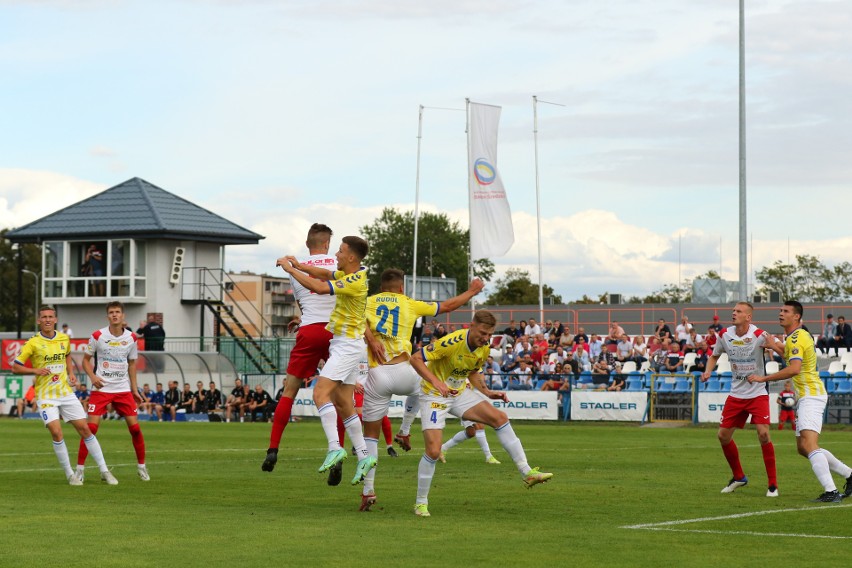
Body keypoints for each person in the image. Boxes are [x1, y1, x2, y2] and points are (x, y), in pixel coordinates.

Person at [357, 268, 484, 511]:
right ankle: (407, 430)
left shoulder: (368, 302)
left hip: (378, 373)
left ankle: (368, 491)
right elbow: (447, 306)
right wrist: (471, 291)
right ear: (401, 288)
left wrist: (371, 338)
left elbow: (353, 317)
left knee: (370, 435)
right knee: (427, 386)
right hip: (407, 369)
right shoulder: (409, 303)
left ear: (381, 286)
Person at [409, 310, 552, 517]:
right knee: (433, 451)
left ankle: (527, 472)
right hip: (434, 395)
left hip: (458, 393)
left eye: (489, 334)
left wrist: (486, 392)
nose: (485, 338)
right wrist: (436, 382)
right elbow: (415, 359)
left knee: (499, 418)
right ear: (472, 325)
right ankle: (420, 503)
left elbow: (473, 371)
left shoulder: (484, 348)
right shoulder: (451, 342)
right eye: (483, 333)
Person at [277, 235, 376, 486]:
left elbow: (320, 287)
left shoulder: (354, 280)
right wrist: (299, 265)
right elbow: (322, 274)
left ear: (351, 257)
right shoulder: (351, 274)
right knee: (344, 403)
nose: (337, 255)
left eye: (341, 251)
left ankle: (335, 447)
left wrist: (290, 270)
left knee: (320, 394)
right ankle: (364, 455)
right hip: (347, 344)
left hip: (346, 346)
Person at [748, 301, 852, 502]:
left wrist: (763, 378)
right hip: (808, 395)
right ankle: (849, 474)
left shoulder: (795, 338)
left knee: (810, 444)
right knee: (803, 448)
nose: (781, 313)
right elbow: (791, 357)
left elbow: (794, 369)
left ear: (796, 316)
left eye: (785, 311)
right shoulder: (797, 336)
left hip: (811, 395)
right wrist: (775, 346)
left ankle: (831, 491)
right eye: (780, 310)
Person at [262, 223, 339, 478]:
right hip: (336, 332)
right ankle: (337, 452)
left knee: (289, 391)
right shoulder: (339, 265)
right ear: (328, 243)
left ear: (308, 244)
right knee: (340, 397)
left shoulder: (293, 268)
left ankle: (273, 448)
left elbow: (305, 304)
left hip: (309, 330)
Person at [11, 305, 117, 485]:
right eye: (44, 317)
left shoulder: (63, 338)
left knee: (85, 429)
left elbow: (67, 355)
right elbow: (15, 366)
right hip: (46, 396)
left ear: (55, 319)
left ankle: (105, 471)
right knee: (56, 431)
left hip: (65, 392)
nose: (47, 320)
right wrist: (35, 370)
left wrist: (71, 373)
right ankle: (70, 475)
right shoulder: (33, 343)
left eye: (50, 317)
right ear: (39, 320)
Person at [701, 302, 783, 497]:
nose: (734, 313)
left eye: (738, 311)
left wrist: (774, 346)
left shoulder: (759, 335)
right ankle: (739, 476)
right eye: (733, 311)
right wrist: (707, 371)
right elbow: (714, 356)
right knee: (723, 436)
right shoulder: (724, 335)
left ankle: (772, 485)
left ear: (748, 317)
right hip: (736, 393)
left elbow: (783, 351)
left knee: (763, 434)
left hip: (757, 392)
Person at [75, 301, 148, 482]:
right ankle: (80, 470)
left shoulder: (131, 338)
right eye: (111, 312)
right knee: (90, 429)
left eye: (117, 312)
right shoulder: (98, 335)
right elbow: (85, 360)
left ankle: (142, 467)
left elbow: (132, 364)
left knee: (136, 429)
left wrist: (134, 389)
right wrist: (93, 377)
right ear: (107, 316)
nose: (114, 315)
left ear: (123, 316)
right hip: (102, 388)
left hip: (122, 389)